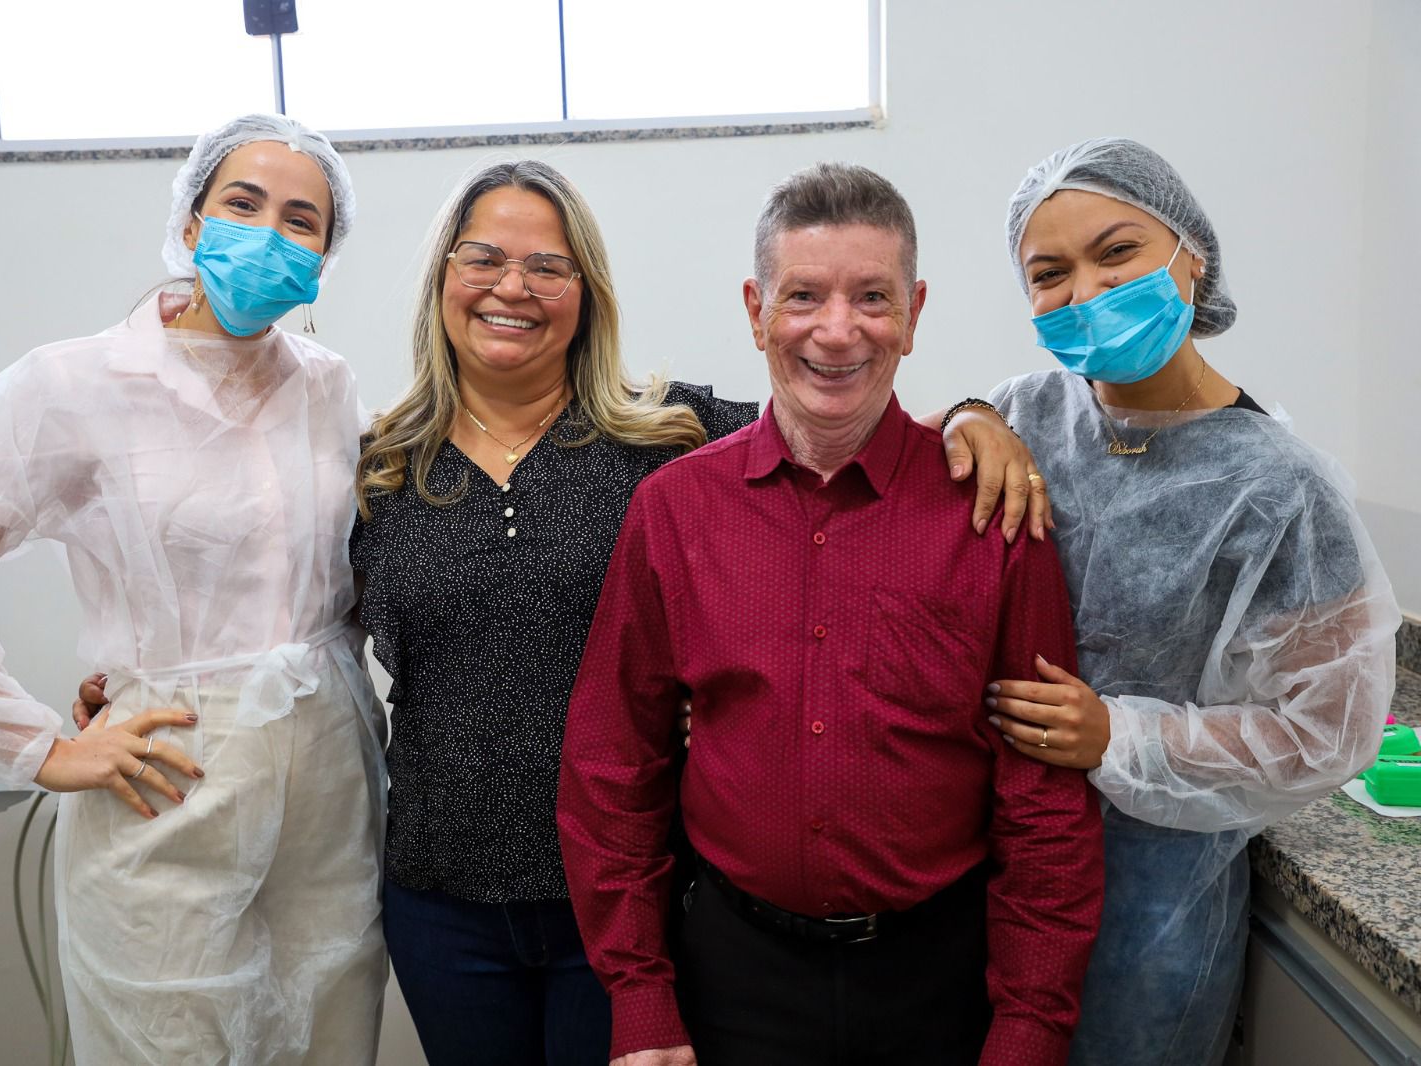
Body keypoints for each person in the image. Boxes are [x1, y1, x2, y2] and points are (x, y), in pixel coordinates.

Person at [345, 158, 1052, 1066]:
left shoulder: (661, 436)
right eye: (483, 258)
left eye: (548, 266)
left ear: (586, 292)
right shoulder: (377, 466)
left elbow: (830, 415)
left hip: (632, 906)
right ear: (442, 274)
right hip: (446, 891)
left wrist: (972, 416)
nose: (512, 287)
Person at [0, 114, 388, 1066]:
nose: (268, 233)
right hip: (166, 777)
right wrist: (41, 746)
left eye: (300, 220)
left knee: (332, 1032)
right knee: (166, 1039)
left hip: (331, 785)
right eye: (243, 204)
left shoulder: (329, 389)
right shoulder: (74, 386)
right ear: (190, 222)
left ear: (323, 258)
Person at [557, 162, 1104, 1066]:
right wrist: (640, 997)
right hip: (734, 977)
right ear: (757, 311)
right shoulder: (675, 510)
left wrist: (1029, 1030)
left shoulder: (996, 512)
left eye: (873, 297)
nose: (838, 330)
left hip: (942, 978)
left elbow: (1043, 802)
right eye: (804, 295)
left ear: (914, 315)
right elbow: (614, 763)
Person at [979, 137, 1400, 1066]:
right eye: (1049, 273)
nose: (1087, 290)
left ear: (1191, 253)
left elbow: (1327, 732)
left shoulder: (1280, 486)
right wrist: (969, 414)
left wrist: (1119, 737)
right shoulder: (1022, 414)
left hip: (1154, 899)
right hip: (996, 875)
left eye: (1117, 252)